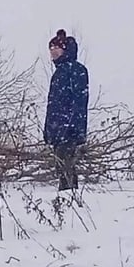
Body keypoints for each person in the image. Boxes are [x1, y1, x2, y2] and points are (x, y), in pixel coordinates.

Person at [42, 29, 90, 192]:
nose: (52, 52)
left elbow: (78, 101)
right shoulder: (59, 72)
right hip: (58, 129)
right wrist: (49, 131)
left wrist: (70, 127)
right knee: (61, 166)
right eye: (50, 49)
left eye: (55, 48)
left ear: (64, 49)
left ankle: (70, 197)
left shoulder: (75, 70)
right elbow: (53, 105)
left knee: (67, 166)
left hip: (68, 129)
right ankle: (66, 194)